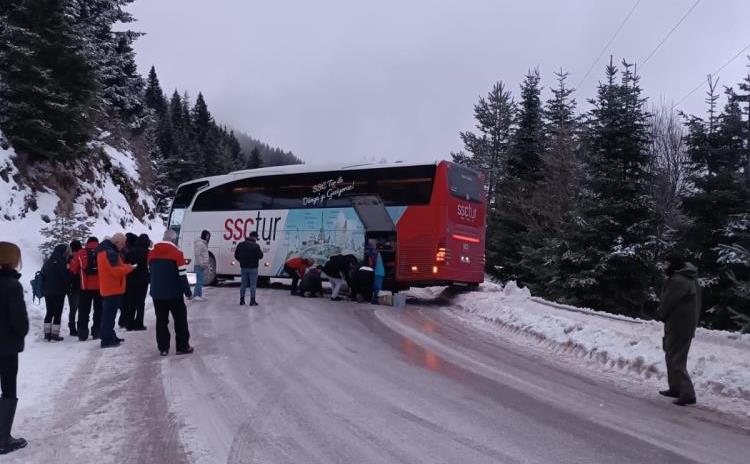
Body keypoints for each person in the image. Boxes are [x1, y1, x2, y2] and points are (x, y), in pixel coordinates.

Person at [657, 254, 701, 406]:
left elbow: (668, 301)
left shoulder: (678, 280)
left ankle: (687, 393)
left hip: (679, 325)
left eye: (667, 263)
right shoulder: (689, 278)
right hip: (682, 324)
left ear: (674, 265)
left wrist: (661, 314)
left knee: (676, 358)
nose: (665, 267)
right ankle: (675, 388)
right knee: (672, 355)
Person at [0, 242, 29, 455]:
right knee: (8, 389)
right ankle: (3, 439)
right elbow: (19, 322)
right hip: (6, 346)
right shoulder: (11, 286)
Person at [149, 230, 193, 356]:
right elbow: (182, 276)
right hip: (174, 294)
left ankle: (163, 348)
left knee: (161, 320)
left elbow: (150, 271)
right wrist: (188, 292)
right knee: (180, 320)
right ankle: (182, 346)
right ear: (174, 240)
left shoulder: (152, 253)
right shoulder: (177, 253)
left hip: (157, 294)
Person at [97, 234, 134, 349]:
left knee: (109, 316)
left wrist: (126, 266)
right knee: (109, 316)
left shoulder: (107, 251)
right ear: (117, 242)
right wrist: (129, 268)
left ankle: (110, 336)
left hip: (110, 288)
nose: (123, 247)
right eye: (122, 244)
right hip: (111, 289)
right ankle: (107, 339)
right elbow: (115, 271)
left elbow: (116, 267)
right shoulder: (110, 253)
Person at [70, 237, 103, 341]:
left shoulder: (81, 252)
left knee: (84, 310)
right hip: (100, 286)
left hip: (85, 287)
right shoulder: (103, 251)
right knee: (98, 310)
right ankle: (97, 331)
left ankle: (82, 333)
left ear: (87, 243)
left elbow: (73, 269)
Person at [41, 244, 72, 342]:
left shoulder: (48, 261)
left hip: (47, 291)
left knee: (49, 312)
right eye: (66, 251)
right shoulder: (61, 262)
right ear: (63, 252)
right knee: (57, 313)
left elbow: (43, 275)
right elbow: (66, 278)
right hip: (59, 291)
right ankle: (55, 335)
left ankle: (47, 335)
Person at [123, 234, 150, 331]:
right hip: (143, 280)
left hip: (131, 279)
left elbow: (125, 265)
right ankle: (139, 323)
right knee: (140, 302)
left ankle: (129, 324)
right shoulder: (148, 252)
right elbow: (150, 266)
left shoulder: (130, 252)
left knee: (131, 302)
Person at [234, 231, 263, 306]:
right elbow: (261, 256)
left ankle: (242, 300)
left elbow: (236, 255)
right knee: (253, 285)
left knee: (243, 284)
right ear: (254, 237)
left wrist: (241, 261)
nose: (256, 239)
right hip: (253, 268)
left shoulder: (241, 244)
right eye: (256, 237)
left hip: (243, 267)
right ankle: (252, 301)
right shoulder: (256, 246)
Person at [119, 233, 139, 328]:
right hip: (131, 277)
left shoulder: (122, 251)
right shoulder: (132, 251)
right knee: (130, 301)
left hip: (124, 277)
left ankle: (122, 320)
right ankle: (126, 320)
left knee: (124, 300)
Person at [67, 239, 82, 336]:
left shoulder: (68, 258)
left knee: (73, 309)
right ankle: (81, 327)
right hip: (82, 285)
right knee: (82, 308)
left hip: (71, 286)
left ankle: (72, 328)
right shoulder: (82, 256)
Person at [193, 230, 211, 301]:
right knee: (199, 281)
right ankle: (196, 295)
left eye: (209, 236)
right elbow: (198, 254)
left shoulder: (203, 243)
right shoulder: (200, 243)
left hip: (202, 265)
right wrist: (201, 263)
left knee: (201, 280)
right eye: (207, 236)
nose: (208, 237)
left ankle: (199, 294)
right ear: (204, 235)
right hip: (199, 265)